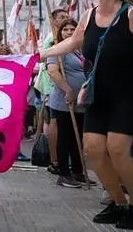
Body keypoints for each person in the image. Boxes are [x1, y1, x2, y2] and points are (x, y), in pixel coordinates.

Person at [41, 0, 133, 229]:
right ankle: (119, 203)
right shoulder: (88, 15)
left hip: (131, 93)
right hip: (99, 93)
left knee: (117, 149)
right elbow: (72, 43)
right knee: (93, 149)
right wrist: (41, 54)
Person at [45, 18, 93, 189]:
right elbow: (53, 72)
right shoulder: (57, 50)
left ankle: (78, 171)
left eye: (73, 29)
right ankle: (64, 173)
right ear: (60, 32)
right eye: (66, 29)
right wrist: (68, 89)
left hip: (82, 100)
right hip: (65, 100)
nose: (70, 32)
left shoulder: (79, 50)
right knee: (65, 136)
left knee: (78, 135)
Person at [42, 8, 70, 173]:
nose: (65, 19)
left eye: (67, 17)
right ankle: (55, 160)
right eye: (62, 17)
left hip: (57, 86)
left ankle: (59, 159)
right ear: (53, 20)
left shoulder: (59, 37)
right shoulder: (52, 39)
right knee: (54, 122)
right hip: (52, 86)